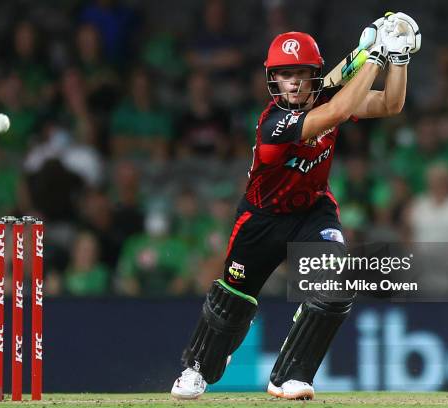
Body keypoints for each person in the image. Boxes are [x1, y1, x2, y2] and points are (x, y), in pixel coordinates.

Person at [171, 12, 421, 400]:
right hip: (261, 218)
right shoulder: (274, 124)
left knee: (335, 283)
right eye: (284, 74)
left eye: (300, 73)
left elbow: (390, 104)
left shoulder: (324, 95)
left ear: (312, 75)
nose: (291, 82)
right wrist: (375, 56)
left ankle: (289, 376)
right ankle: (196, 369)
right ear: (273, 79)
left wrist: (398, 58)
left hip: (312, 211)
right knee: (233, 302)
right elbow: (337, 111)